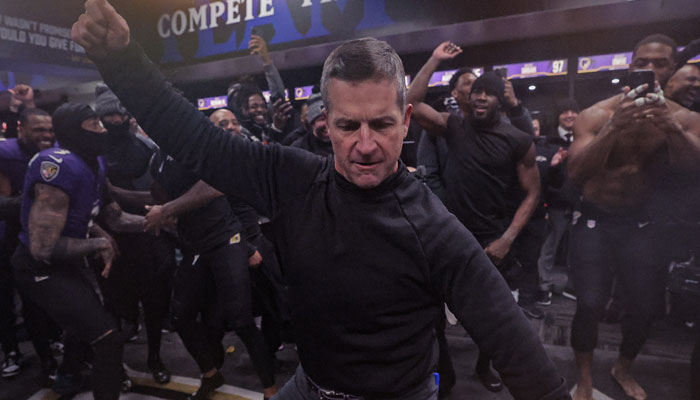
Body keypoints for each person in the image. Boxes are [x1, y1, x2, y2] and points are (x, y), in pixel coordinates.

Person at [71, 3, 570, 399]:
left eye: (383, 124)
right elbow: (199, 143)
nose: (366, 144)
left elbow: (518, 351)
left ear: (407, 120)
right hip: (310, 386)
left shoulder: (435, 230)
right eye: (348, 126)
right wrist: (121, 59)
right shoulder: (292, 176)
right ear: (326, 125)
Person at [566, 34, 700, 400]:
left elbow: (693, 168)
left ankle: (622, 368)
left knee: (644, 308)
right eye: (642, 63)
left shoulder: (685, 118)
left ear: (672, 70)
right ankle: (585, 378)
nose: (650, 70)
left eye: (659, 64)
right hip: (594, 220)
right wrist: (615, 128)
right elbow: (576, 173)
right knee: (589, 303)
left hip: (640, 224)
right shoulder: (598, 113)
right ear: (631, 65)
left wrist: (669, 127)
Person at [407, 41, 542, 393]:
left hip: (491, 240)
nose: (481, 97)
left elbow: (532, 193)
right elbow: (411, 102)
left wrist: (507, 239)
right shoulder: (455, 126)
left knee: (491, 319)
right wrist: (434, 59)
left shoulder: (517, 139)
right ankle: (444, 373)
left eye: (489, 93)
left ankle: (484, 367)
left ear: (499, 100)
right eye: (477, 91)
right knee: (432, 310)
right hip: (450, 235)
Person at [11, 102, 150, 400]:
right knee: (107, 338)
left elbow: (114, 217)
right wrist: (98, 242)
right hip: (39, 267)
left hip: (66, 261)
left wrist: (157, 220)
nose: (102, 130)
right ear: (75, 131)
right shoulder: (58, 166)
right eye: (94, 125)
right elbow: (42, 247)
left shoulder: (93, 161)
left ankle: (67, 377)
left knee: (86, 321)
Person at [95, 85, 175, 385]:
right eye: (108, 115)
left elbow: (159, 196)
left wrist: (117, 193)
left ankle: (154, 357)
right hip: (107, 239)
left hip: (145, 232)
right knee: (114, 305)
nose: (115, 119)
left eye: (119, 113)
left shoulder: (146, 147)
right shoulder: (93, 150)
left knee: (154, 303)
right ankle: (115, 364)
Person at [0, 108, 61, 380]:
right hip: (8, 235)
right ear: (21, 129)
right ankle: (11, 350)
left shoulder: (56, 154)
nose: (46, 135)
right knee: (5, 298)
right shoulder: (6, 154)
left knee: (40, 296)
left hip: (42, 234)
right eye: (38, 130)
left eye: (49, 129)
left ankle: (49, 340)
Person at [537, 99, 580, 303]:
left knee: (577, 250)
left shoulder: (586, 138)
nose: (570, 115)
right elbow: (543, 175)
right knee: (549, 248)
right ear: (558, 116)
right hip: (555, 204)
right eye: (565, 111)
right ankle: (544, 286)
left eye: (574, 111)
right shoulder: (547, 141)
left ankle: (572, 286)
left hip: (581, 205)